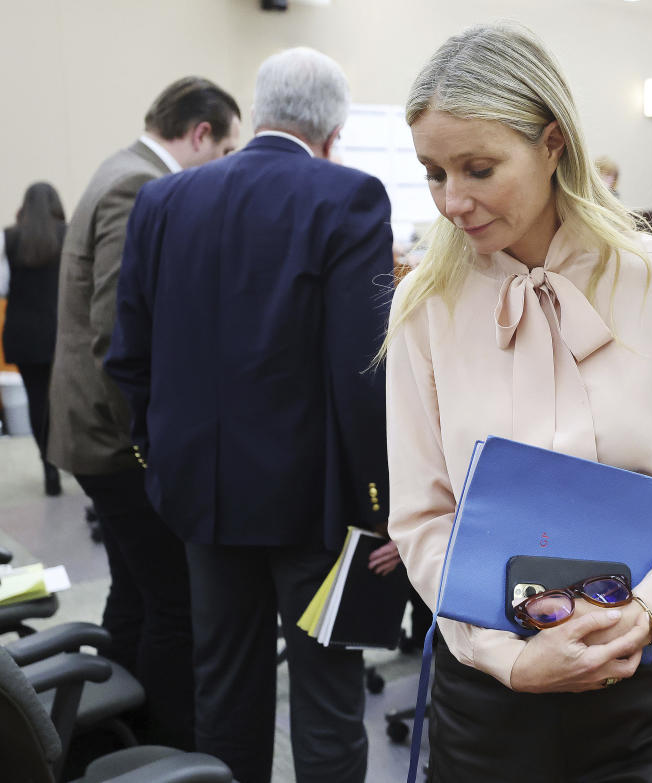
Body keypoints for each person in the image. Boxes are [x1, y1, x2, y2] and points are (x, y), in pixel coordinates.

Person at [383, 23, 652, 782]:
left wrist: (646, 609)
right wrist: (508, 658)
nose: (453, 201)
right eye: (432, 173)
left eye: (479, 168)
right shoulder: (424, 304)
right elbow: (423, 518)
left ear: (553, 142)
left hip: (650, 685)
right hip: (492, 693)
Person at [105, 48, 394, 783]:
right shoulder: (350, 197)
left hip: (199, 494)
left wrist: (157, 458)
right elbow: (362, 375)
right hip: (316, 506)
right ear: (333, 129)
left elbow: (127, 356)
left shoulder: (165, 201)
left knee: (224, 694)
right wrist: (379, 507)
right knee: (327, 704)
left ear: (258, 109)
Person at [45, 76, 241, 749]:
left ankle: (102, 732)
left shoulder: (117, 167)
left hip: (87, 427)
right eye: (225, 151)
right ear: (198, 134)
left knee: (133, 590)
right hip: (113, 436)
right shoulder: (142, 187)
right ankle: (166, 744)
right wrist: (150, 443)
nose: (222, 168)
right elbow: (113, 331)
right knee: (173, 603)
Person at [0, 183, 66, 495]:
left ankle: (48, 467)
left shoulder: (10, 238)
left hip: (24, 335)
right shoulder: (68, 234)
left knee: (37, 401)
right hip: (62, 334)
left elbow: (2, 286)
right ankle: (74, 462)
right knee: (66, 402)